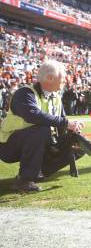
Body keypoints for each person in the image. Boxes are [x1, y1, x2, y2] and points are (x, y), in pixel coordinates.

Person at [0, 60, 84, 192]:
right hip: (8, 146)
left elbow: (61, 123)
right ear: (50, 78)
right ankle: (24, 180)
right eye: (62, 78)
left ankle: (37, 174)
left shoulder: (56, 97)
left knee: (79, 142)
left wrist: (72, 137)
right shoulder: (24, 93)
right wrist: (66, 123)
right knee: (41, 128)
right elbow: (33, 115)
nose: (65, 81)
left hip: (37, 142)